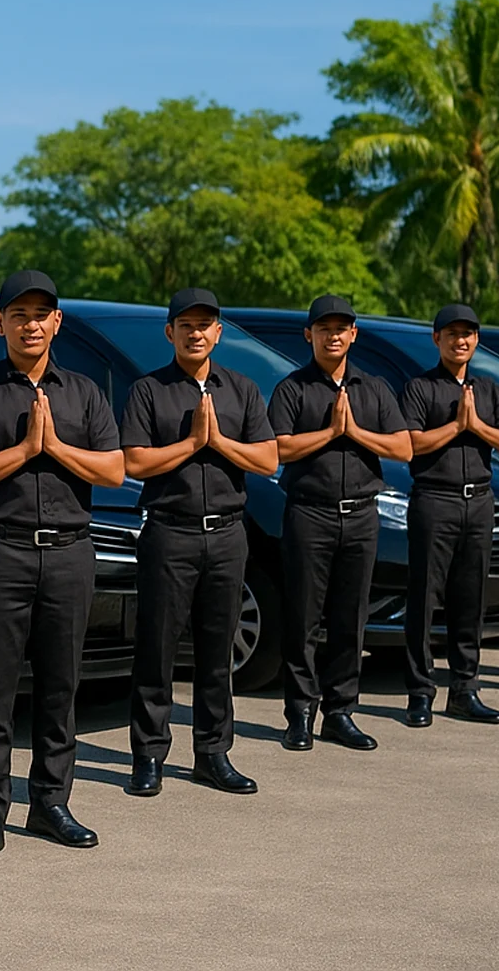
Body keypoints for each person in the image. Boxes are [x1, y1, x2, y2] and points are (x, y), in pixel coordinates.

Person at [0, 270, 124, 855]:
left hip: (71, 550)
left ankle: (51, 802)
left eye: (41, 314)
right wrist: (25, 451)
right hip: (2, 547)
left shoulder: (83, 392)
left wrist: (56, 449)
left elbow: (113, 470)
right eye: (18, 314)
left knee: (60, 685)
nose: (31, 324)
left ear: (57, 322)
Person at [120, 288, 278, 796]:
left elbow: (269, 460)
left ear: (218, 332)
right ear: (170, 332)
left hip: (228, 534)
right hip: (170, 530)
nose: (195, 333)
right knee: (157, 648)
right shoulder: (148, 390)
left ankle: (214, 753)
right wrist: (189, 445)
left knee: (218, 649)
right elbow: (134, 463)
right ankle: (148, 755)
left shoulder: (243, 390)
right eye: (185, 325)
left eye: (204, 325)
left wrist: (219, 443)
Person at [268, 296, 411, 753]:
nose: (333, 335)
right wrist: (329, 434)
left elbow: (403, 447)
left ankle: (341, 711)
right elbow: (278, 450)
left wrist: (354, 433)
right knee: (304, 616)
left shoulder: (373, 388)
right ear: (308, 334)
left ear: (353, 334)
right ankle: (299, 713)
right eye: (323, 328)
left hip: (362, 513)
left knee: (351, 618)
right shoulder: (293, 388)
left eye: (341, 328)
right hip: (310, 511)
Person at [399, 304, 499, 728]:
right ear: (437, 339)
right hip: (435, 499)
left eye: (468, 334)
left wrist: (476, 426)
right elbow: (411, 443)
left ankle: (465, 689)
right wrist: (455, 426)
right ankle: (419, 691)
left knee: (470, 599)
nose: (461, 341)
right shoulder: (420, 387)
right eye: (452, 334)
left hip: (479, 502)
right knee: (424, 599)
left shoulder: (488, 389)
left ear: (477, 339)